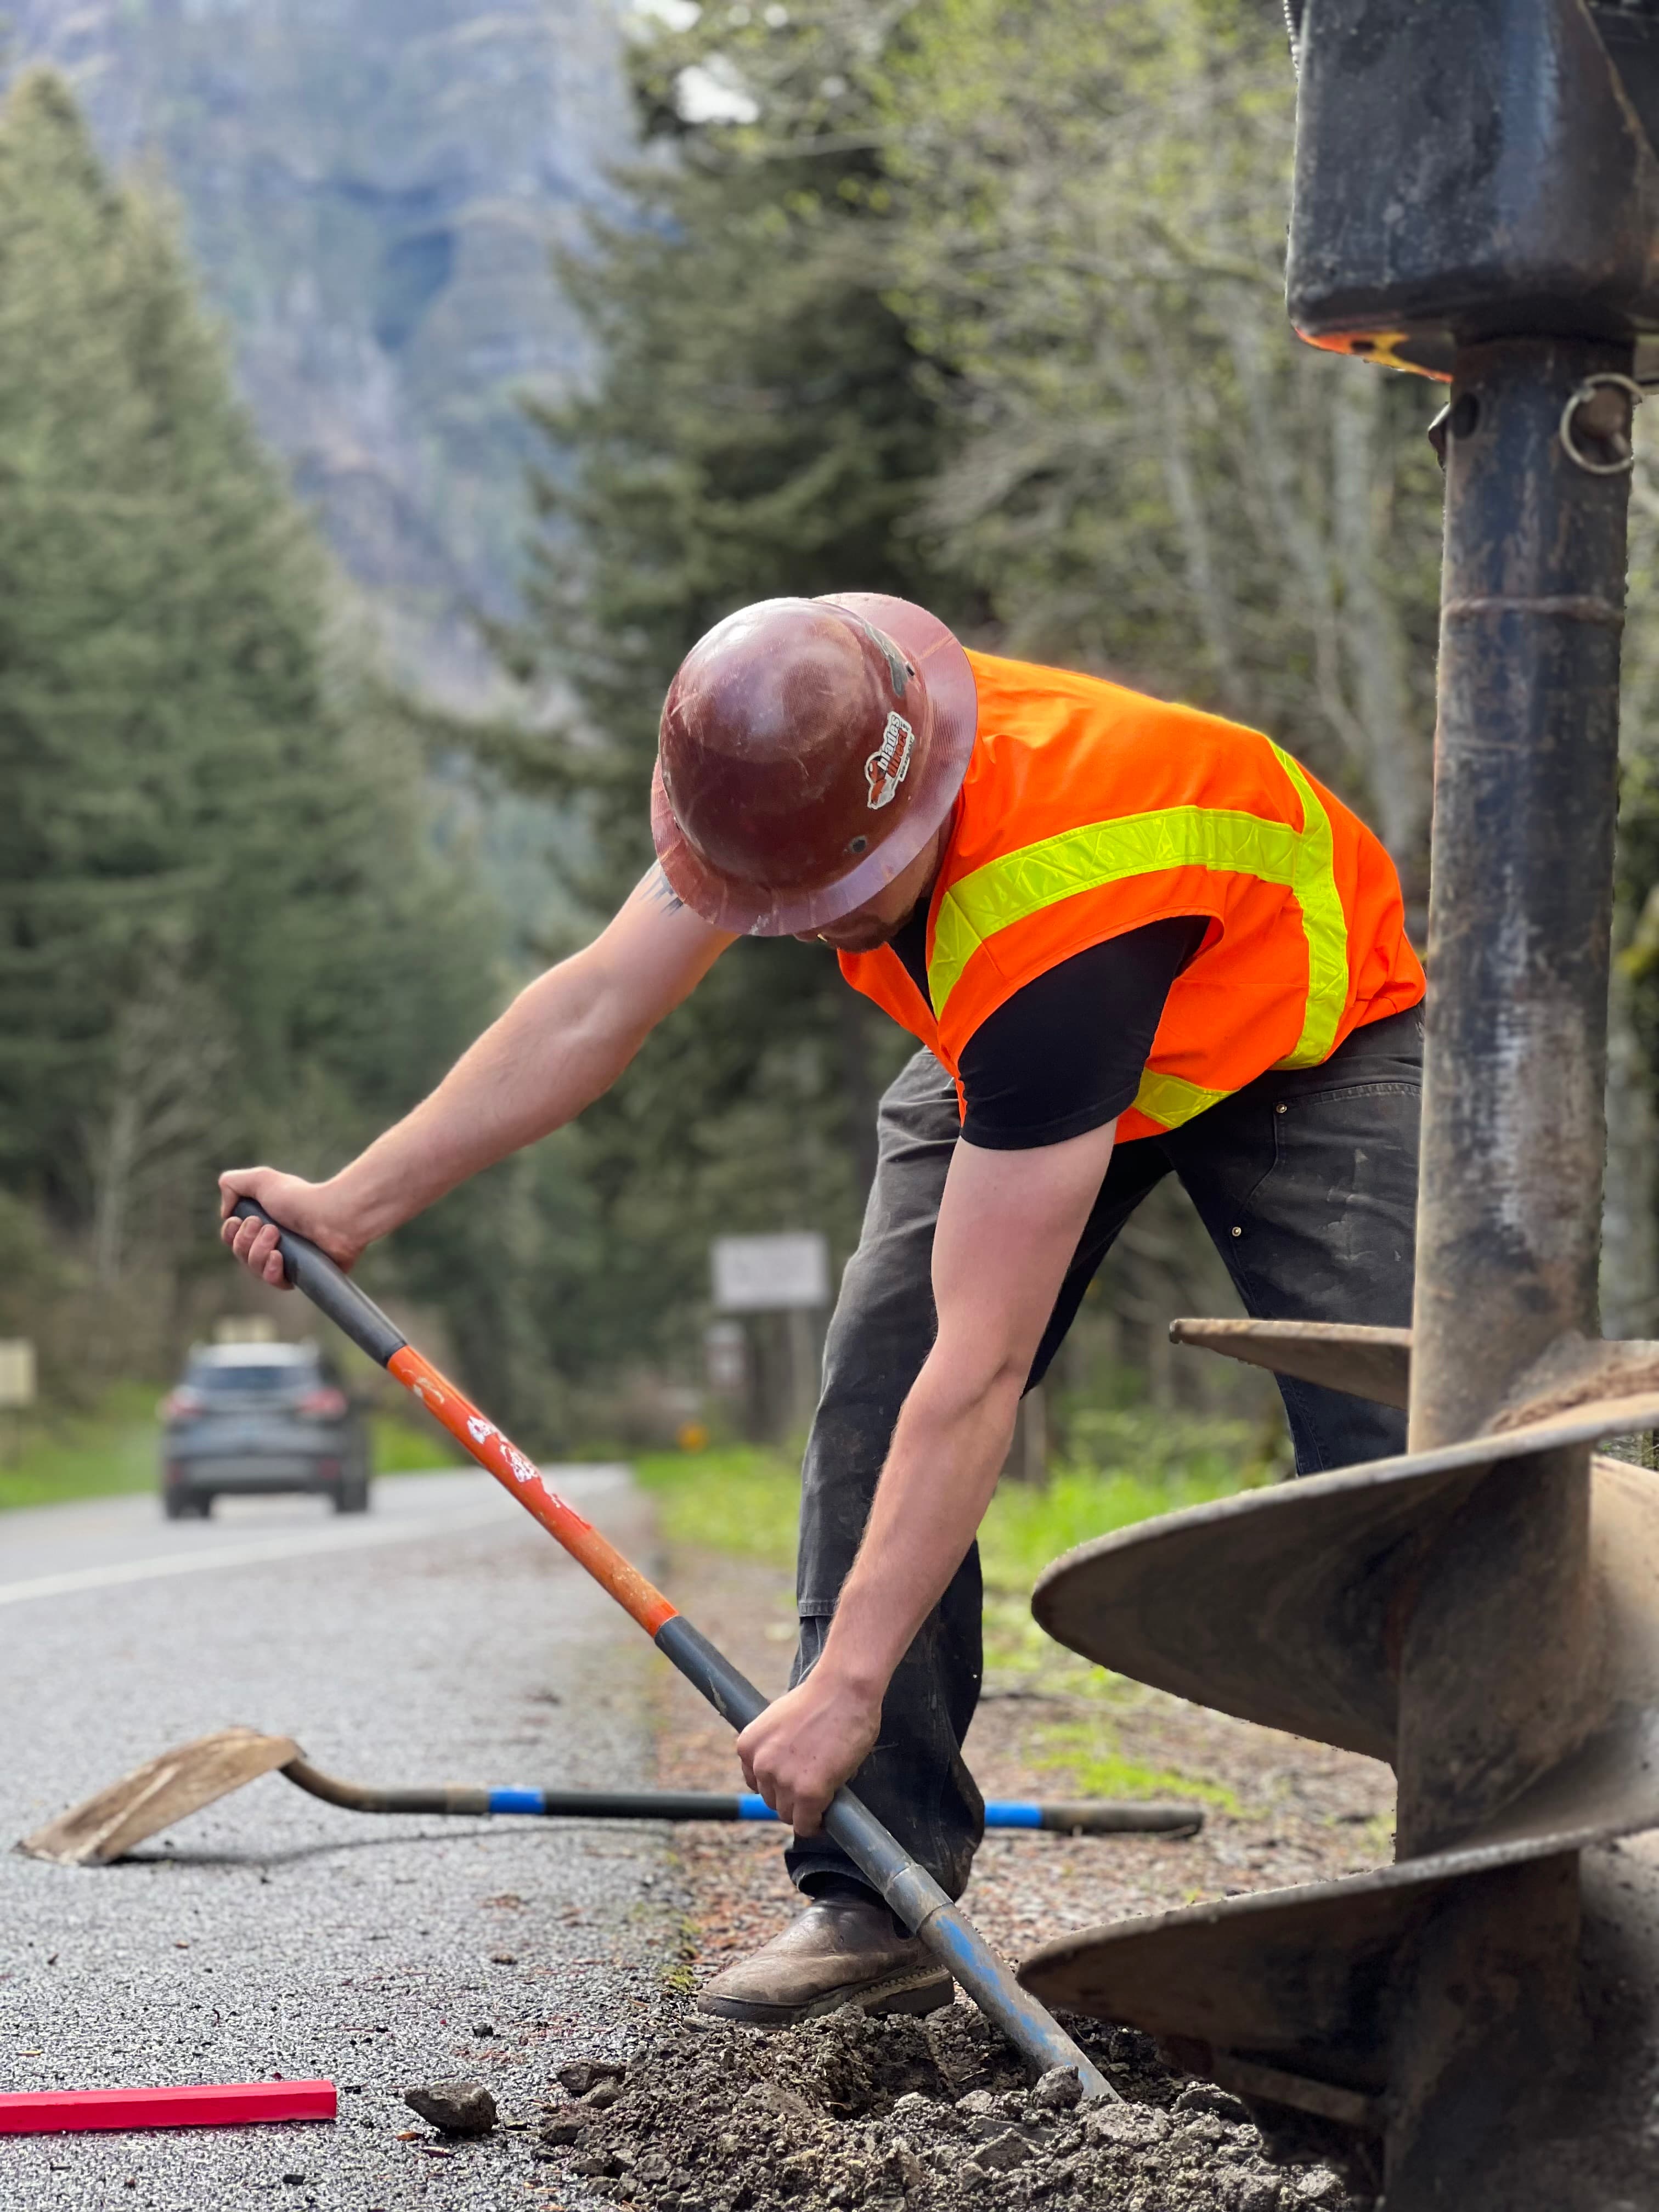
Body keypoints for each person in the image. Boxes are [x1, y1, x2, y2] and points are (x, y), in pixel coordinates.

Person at [221, 592, 1425, 2029]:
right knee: (872, 1396)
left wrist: (842, 1682)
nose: (796, 934)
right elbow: (598, 1004)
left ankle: (1488, 1875)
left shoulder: (1044, 917)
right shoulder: (784, 767)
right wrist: (354, 1201)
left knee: (1408, 1459)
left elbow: (981, 1378)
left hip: (1301, 1030)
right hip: (1004, 1033)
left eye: (821, 908)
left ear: (907, 818)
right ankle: (879, 1890)